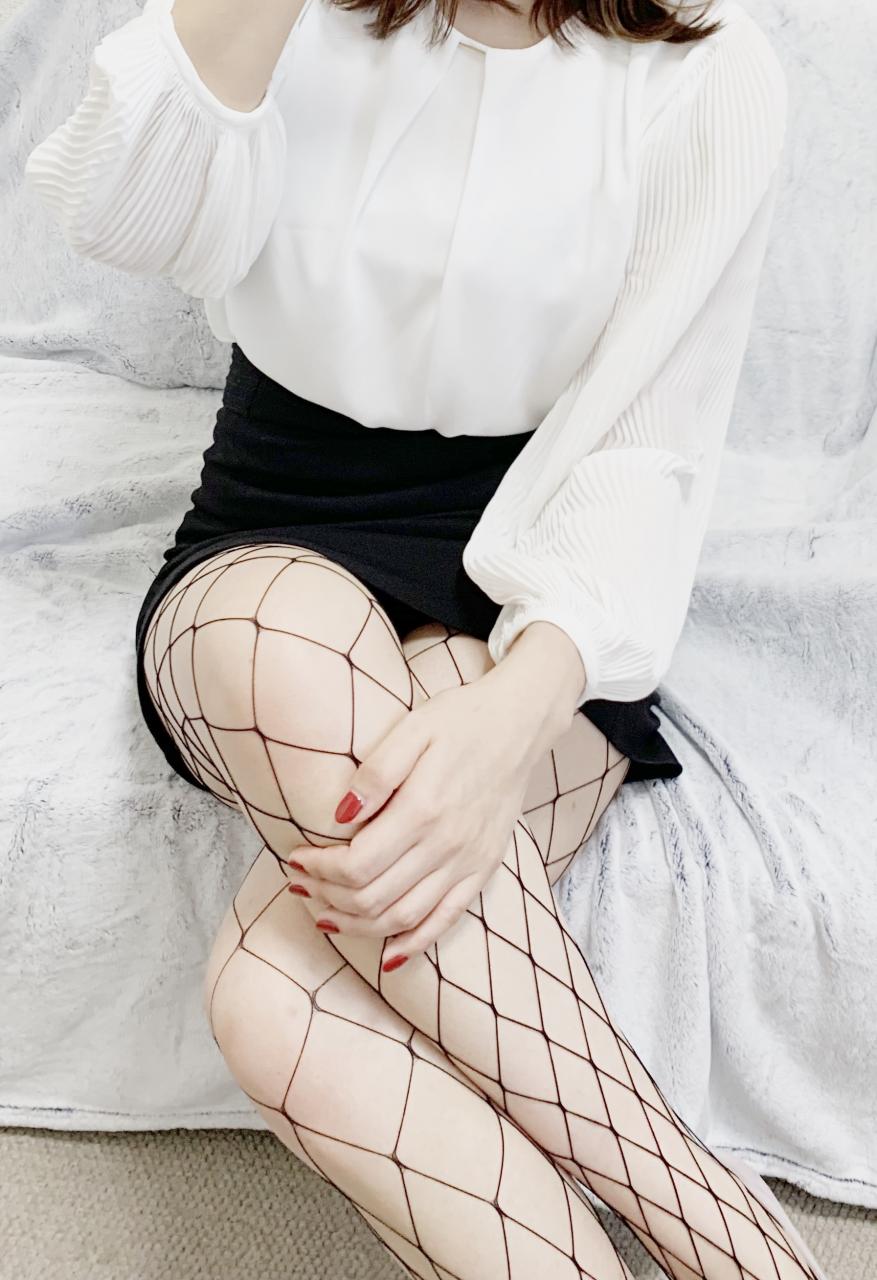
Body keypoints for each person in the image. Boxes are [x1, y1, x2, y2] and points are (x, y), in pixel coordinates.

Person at [24, 0, 829, 1275]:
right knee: (277, 646)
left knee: (276, 1002)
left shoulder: (708, 69)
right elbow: (123, 214)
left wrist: (514, 713)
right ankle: (732, 1242)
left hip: (543, 571)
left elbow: (649, 450)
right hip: (280, 517)